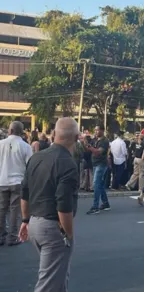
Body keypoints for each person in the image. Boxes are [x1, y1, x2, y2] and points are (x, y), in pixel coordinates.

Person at [19, 117, 79, 292]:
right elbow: (63, 204)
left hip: (34, 224)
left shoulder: (36, 157)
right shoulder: (68, 163)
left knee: (57, 278)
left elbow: (25, 191)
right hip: (52, 227)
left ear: (53, 134)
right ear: (76, 138)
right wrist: (68, 234)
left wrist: (25, 220)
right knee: (49, 285)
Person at [0, 121, 32, 246]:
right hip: (18, 182)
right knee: (15, 210)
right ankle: (12, 237)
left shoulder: (1, 144)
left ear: (10, 131)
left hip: (2, 181)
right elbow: (30, 166)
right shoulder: (25, 146)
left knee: (2, 209)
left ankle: (1, 235)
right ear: (21, 132)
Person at [85, 124, 111, 215]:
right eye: (95, 130)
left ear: (102, 130)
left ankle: (95, 206)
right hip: (95, 164)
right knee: (99, 184)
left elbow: (98, 152)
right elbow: (89, 148)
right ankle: (106, 203)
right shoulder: (95, 139)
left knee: (96, 183)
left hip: (101, 164)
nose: (95, 132)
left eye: (97, 130)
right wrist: (85, 142)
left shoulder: (105, 141)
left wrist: (90, 147)